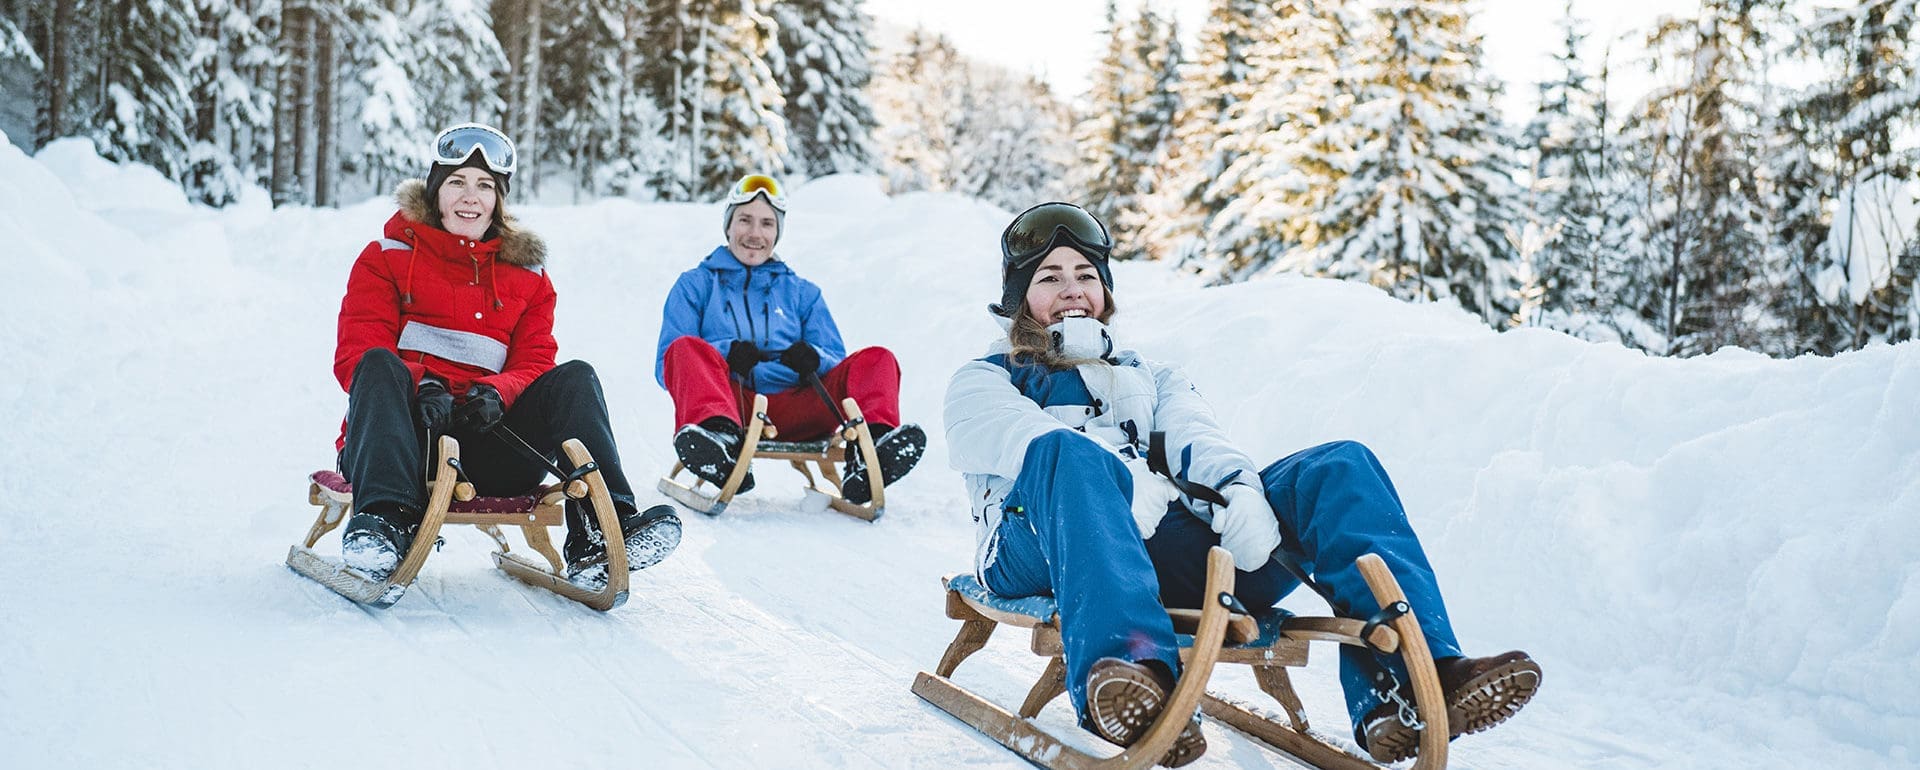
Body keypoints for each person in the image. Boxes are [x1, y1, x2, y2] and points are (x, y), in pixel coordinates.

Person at [942, 202, 1543, 765]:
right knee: (1063, 455)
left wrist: (1240, 492)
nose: (1071, 288)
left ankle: (1417, 682)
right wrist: (1119, 480)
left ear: (1105, 292)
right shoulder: (984, 380)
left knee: (1338, 467)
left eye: (1084, 273)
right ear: (1020, 299)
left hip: (1155, 551)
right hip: (1036, 549)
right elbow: (1020, 439)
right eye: (1049, 277)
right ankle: (1134, 680)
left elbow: (1197, 437)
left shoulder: (1152, 376)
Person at [332, 122, 680, 588]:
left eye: (484, 187)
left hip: (488, 443)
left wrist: (498, 391)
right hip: (400, 445)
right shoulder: (386, 256)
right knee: (377, 363)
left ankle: (602, 531)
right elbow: (357, 353)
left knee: (575, 377)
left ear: (499, 199)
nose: (469, 197)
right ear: (435, 191)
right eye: (456, 183)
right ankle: (384, 527)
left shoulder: (529, 277)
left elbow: (536, 361)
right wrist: (422, 384)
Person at [654, 173, 924, 504]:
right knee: (684, 348)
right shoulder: (695, 285)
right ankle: (720, 446)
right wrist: (725, 354)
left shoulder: (802, 293)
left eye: (767, 224)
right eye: (745, 220)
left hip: (801, 406)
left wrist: (813, 358)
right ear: (728, 226)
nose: (755, 233)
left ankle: (871, 452)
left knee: (878, 358)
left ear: (777, 232)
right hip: (735, 404)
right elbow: (667, 364)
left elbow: (836, 360)